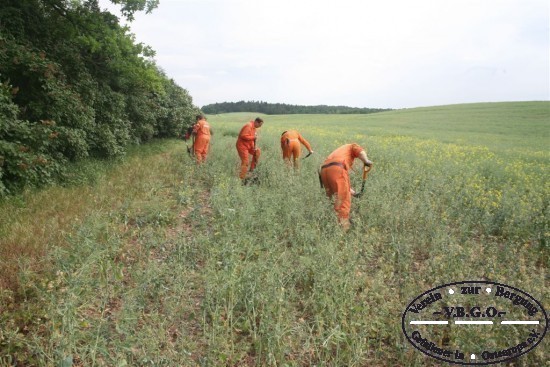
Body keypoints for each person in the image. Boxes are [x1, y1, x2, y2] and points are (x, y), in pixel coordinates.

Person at [319, 143, 373, 230]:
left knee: (333, 200)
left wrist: (354, 193)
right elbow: (360, 151)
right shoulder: (352, 146)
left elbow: (343, 184)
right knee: (343, 204)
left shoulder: (341, 152)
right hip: (337, 168)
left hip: (324, 170)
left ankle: (331, 226)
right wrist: (366, 160)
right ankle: (343, 233)